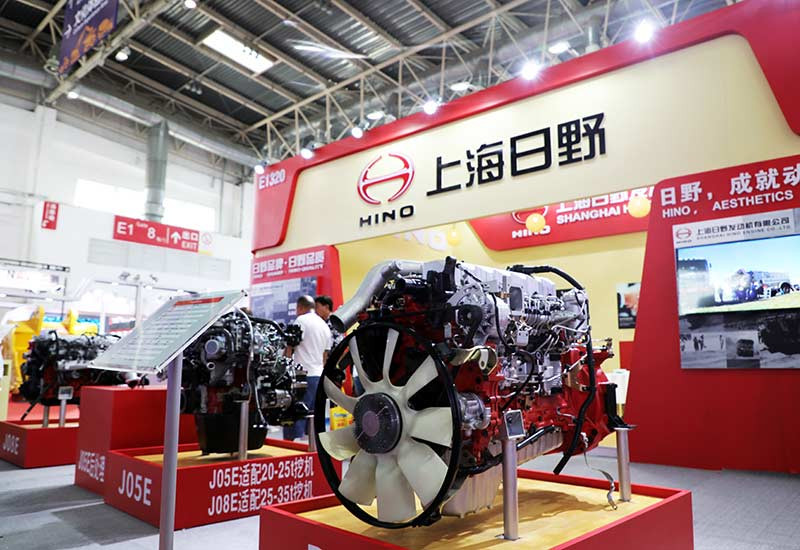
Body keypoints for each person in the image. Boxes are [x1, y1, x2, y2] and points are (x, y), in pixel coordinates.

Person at [283, 295, 332, 441]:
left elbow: (290, 347)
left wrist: (286, 369)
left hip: (302, 376)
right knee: (312, 415)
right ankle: (309, 446)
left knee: (296, 413)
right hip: (318, 375)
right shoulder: (324, 326)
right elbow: (325, 356)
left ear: (300, 307)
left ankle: (294, 445)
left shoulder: (301, 321)